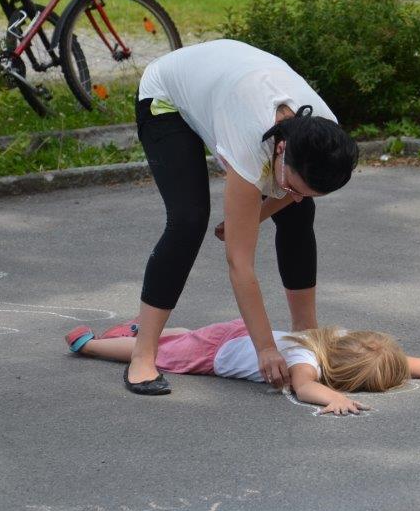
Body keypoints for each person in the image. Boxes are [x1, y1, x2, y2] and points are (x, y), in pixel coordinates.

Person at [126, 39, 359, 396]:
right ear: (281, 150)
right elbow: (239, 262)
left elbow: (293, 194)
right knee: (188, 220)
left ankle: (307, 332)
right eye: (294, 184)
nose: (295, 193)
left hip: (227, 80)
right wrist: (265, 348)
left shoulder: (325, 133)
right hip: (167, 96)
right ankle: (142, 355)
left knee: (299, 212)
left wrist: (258, 213)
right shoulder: (251, 142)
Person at [65, 320, 420, 415]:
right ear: (342, 376)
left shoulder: (332, 340)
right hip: (214, 354)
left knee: (182, 336)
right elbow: (305, 389)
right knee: (158, 353)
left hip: (233, 335)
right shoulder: (304, 361)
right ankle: (92, 345)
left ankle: (141, 330)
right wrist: (331, 398)